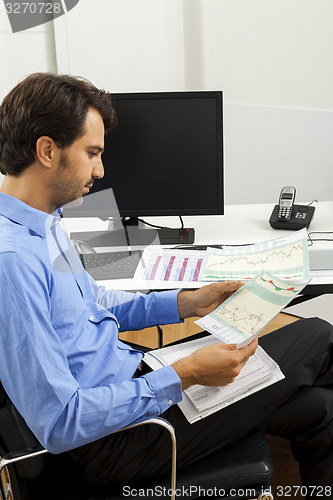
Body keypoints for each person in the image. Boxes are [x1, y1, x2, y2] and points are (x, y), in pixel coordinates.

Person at [0, 73, 332, 498]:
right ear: (47, 151)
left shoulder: (45, 222)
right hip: (107, 444)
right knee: (318, 336)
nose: (100, 170)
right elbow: (62, 421)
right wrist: (185, 374)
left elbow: (92, 302)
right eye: (92, 153)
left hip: (129, 386)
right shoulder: (12, 260)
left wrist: (187, 303)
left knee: (319, 409)